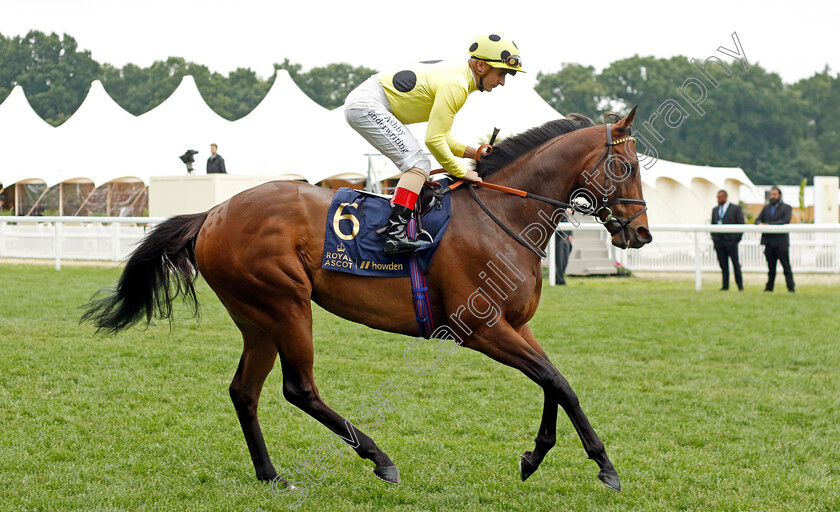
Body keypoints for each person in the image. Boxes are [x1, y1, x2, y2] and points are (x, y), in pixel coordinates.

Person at [344, 33, 524, 254]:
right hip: (368, 104)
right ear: (480, 66)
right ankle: (395, 234)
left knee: (418, 164)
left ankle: (397, 228)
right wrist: (460, 171)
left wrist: (474, 153)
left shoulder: (459, 78)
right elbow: (433, 140)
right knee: (418, 164)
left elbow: (441, 135)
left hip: (367, 102)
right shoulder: (456, 84)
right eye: (501, 73)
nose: (502, 82)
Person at [755, 186, 795, 292]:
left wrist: (768, 225)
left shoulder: (786, 208)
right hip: (769, 242)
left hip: (781, 242)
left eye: (774, 195)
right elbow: (758, 220)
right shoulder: (766, 208)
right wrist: (760, 223)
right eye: (771, 195)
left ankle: (791, 287)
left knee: (786, 266)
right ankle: (769, 287)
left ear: (779, 195)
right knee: (771, 267)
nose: (772, 197)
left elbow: (785, 220)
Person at [711, 190, 745, 291]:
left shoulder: (735, 209)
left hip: (731, 242)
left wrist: (735, 240)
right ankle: (725, 286)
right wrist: (715, 238)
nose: (718, 199)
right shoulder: (715, 210)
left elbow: (741, 224)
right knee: (723, 265)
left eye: (719, 197)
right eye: (717, 197)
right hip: (719, 242)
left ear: (725, 197)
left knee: (735, 264)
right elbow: (712, 225)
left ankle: (740, 286)